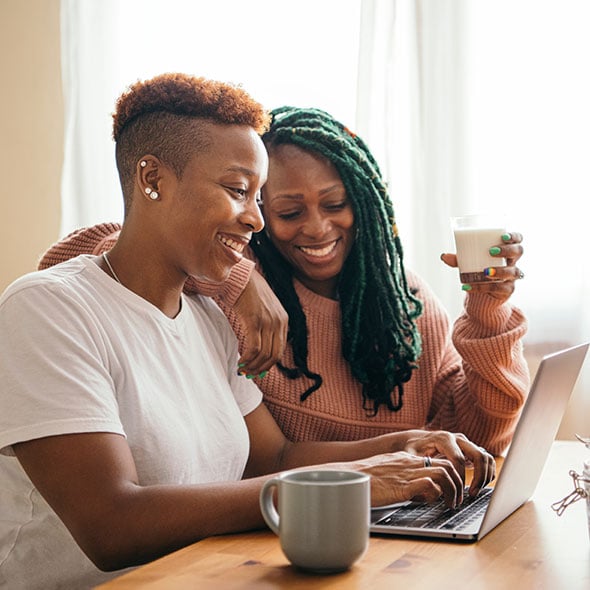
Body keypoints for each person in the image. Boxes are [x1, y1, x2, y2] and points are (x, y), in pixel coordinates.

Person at [0, 74, 495, 590]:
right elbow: (112, 526)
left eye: (259, 197)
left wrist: (407, 445)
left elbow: (276, 457)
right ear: (153, 180)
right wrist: (353, 483)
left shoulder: (209, 320)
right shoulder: (48, 309)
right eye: (239, 191)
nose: (257, 220)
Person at [41, 107, 529, 459]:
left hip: (390, 523)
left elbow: (479, 440)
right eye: (289, 212)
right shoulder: (226, 273)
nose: (317, 229)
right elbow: (73, 259)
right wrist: (240, 278)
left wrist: (488, 313)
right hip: (271, 524)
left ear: (366, 205)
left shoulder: (407, 305)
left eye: (335, 204)